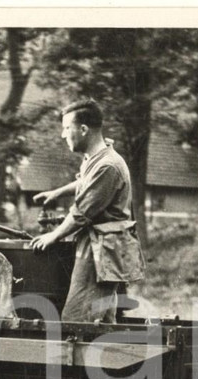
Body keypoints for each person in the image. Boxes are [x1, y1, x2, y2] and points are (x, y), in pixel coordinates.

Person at [30, 99, 144, 323]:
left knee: (77, 319)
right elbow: (85, 182)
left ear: (83, 129)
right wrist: (57, 193)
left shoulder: (107, 166)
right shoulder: (97, 159)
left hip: (100, 250)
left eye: (66, 128)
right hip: (97, 247)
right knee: (101, 319)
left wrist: (53, 235)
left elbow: (81, 212)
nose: (63, 135)